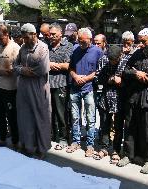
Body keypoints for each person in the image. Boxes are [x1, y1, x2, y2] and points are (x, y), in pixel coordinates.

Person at [118, 28, 148, 174]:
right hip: (134, 98)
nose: (140, 44)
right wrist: (136, 73)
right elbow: (125, 70)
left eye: (143, 41)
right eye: (139, 40)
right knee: (130, 127)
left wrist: (145, 77)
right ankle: (128, 155)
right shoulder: (136, 54)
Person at [14, 23, 51, 159]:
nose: (25, 40)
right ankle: (27, 145)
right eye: (23, 38)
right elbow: (15, 65)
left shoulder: (43, 48)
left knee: (41, 118)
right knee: (25, 117)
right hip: (24, 87)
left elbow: (42, 69)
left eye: (27, 37)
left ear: (34, 35)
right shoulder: (23, 48)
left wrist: (29, 72)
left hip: (38, 88)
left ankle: (42, 148)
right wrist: (23, 70)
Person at [66, 28, 103, 157]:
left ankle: (90, 145)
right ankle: (76, 141)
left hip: (89, 89)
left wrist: (86, 78)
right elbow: (70, 67)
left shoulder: (97, 51)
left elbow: (100, 70)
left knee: (90, 118)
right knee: (75, 117)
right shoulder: (75, 49)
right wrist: (75, 76)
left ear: (90, 40)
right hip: (75, 88)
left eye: (84, 41)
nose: (81, 43)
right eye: (79, 41)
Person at [0, 24, 20, 148]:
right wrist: (1, 70)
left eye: (1, 38)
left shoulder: (15, 48)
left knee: (11, 116)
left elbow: (14, 69)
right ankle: (2, 138)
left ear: (7, 35)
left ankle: (15, 140)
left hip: (10, 88)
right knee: (0, 114)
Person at [94, 45, 125, 162]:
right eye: (110, 60)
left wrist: (121, 82)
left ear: (120, 56)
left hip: (120, 98)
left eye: (114, 60)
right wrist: (110, 80)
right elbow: (98, 79)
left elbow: (129, 80)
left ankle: (116, 150)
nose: (112, 62)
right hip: (105, 98)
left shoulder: (126, 61)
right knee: (105, 125)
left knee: (118, 126)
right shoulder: (104, 60)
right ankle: (104, 148)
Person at [48, 23, 73, 150]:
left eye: (53, 34)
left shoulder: (68, 46)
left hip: (61, 84)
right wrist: (56, 65)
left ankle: (63, 138)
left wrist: (50, 64)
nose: (51, 36)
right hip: (47, 84)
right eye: (50, 34)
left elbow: (68, 65)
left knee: (61, 113)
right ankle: (52, 135)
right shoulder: (46, 46)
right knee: (49, 112)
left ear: (60, 34)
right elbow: (42, 63)